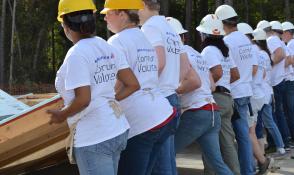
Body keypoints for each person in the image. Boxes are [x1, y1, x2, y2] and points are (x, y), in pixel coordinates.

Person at [49, 0, 140, 174]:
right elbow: (133, 84)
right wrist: (107, 100)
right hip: (117, 127)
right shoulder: (105, 45)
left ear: (66, 25)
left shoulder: (76, 54)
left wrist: (63, 114)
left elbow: (84, 99)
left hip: (94, 135)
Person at [101, 1, 179, 174]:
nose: (105, 17)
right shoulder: (142, 37)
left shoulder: (116, 41)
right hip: (163, 114)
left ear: (123, 14)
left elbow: (116, 83)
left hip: (141, 122)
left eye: (109, 12)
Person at [166, 16, 241, 175]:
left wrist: (175, 91)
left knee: (165, 154)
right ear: (183, 37)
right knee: (217, 162)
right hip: (212, 110)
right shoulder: (195, 53)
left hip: (197, 112)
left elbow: (195, 82)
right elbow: (211, 85)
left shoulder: (179, 54)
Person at [138, 1, 201, 174]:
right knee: (167, 160)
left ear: (142, 5)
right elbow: (186, 67)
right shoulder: (170, 29)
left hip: (160, 98)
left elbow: (158, 63)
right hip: (172, 97)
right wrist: (172, 83)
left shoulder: (150, 28)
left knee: (160, 164)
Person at [216, 5, 257, 175]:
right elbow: (254, 67)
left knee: (232, 137)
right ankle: (248, 169)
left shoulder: (227, 41)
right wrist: (245, 79)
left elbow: (227, 71)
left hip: (235, 93)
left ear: (221, 22)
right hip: (246, 90)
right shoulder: (245, 39)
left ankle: (245, 171)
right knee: (243, 135)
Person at [237, 22, 275, 173]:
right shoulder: (257, 51)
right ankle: (259, 160)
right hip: (259, 94)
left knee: (248, 132)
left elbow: (251, 71)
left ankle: (261, 161)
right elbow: (262, 73)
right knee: (253, 131)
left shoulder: (246, 49)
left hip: (251, 95)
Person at [257, 20, 293, 149]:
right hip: (278, 80)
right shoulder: (277, 40)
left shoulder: (271, 39)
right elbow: (288, 58)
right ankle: (282, 142)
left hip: (276, 81)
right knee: (277, 114)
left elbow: (281, 55)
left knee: (275, 115)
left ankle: (280, 144)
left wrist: (270, 64)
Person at [252, 28, 287, 159]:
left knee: (263, 123)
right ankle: (279, 146)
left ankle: (278, 148)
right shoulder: (266, 54)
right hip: (267, 91)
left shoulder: (257, 53)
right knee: (268, 122)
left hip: (260, 93)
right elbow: (266, 73)